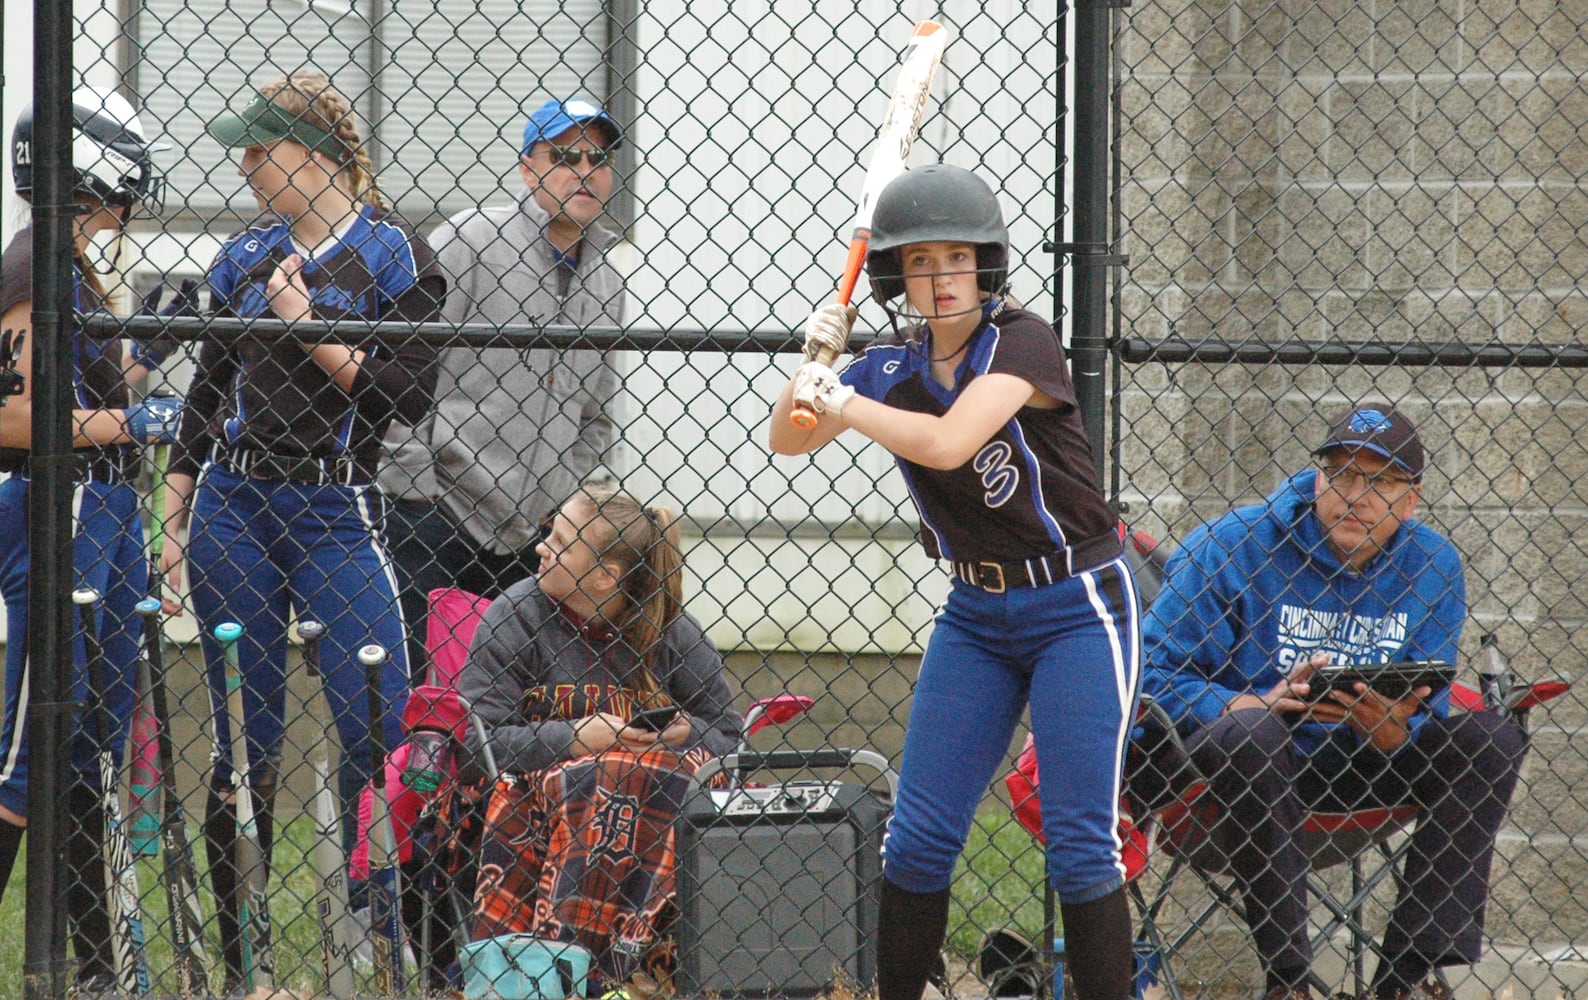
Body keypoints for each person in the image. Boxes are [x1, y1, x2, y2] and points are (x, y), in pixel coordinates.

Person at [768, 163, 1142, 1000]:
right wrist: (812, 362)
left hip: (1077, 603)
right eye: (922, 262)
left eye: (957, 259)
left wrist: (845, 399)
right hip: (976, 611)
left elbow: (947, 444)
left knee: (1082, 841)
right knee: (919, 839)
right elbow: (786, 441)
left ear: (986, 265)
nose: (941, 279)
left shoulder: (1024, 342)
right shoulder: (887, 364)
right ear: (898, 275)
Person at [158, 71, 444, 994]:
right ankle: (248, 968)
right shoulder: (242, 256)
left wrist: (308, 323)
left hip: (334, 507)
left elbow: (406, 397)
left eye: (260, 151)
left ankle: (409, 941)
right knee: (249, 740)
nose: (245, 168)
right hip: (234, 507)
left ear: (315, 158)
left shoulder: (395, 254)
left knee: (383, 728)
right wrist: (174, 515)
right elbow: (205, 395)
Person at [1140, 405, 1527, 1000]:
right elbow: (1150, 676)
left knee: (1493, 740)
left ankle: (1402, 979)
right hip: (1234, 777)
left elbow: (1433, 702)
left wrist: (1395, 729)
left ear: (1411, 499)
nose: (1356, 495)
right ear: (1317, 477)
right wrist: (1251, 702)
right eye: (1341, 474)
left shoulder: (1434, 564)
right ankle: (1289, 982)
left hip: (1363, 765)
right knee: (1253, 732)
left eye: (1380, 481)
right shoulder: (1228, 544)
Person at [0, 86, 179, 988]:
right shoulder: (36, 261)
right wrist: (138, 422)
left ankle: (101, 965)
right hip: (59, 506)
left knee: (90, 744)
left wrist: (147, 345)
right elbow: (22, 417)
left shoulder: (72, 264)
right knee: (35, 746)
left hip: (101, 511)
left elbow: (89, 397)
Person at [457, 485, 743, 995]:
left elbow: (727, 735)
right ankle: (576, 968)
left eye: (560, 542)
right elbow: (477, 746)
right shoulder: (516, 616)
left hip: (649, 808)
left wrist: (686, 731)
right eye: (550, 531)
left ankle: (640, 961)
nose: (542, 545)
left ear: (606, 575)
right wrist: (574, 739)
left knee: (660, 773)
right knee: (601, 775)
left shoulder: (668, 628)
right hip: (543, 803)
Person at [380, 96, 626, 685]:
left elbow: (596, 416)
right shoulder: (469, 240)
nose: (585, 171)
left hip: (536, 541)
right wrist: (418, 490)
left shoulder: (609, 278)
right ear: (526, 168)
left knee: (509, 702)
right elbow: (410, 368)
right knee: (416, 695)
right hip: (440, 516)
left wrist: (558, 501)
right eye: (564, 156)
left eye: (599, 157)